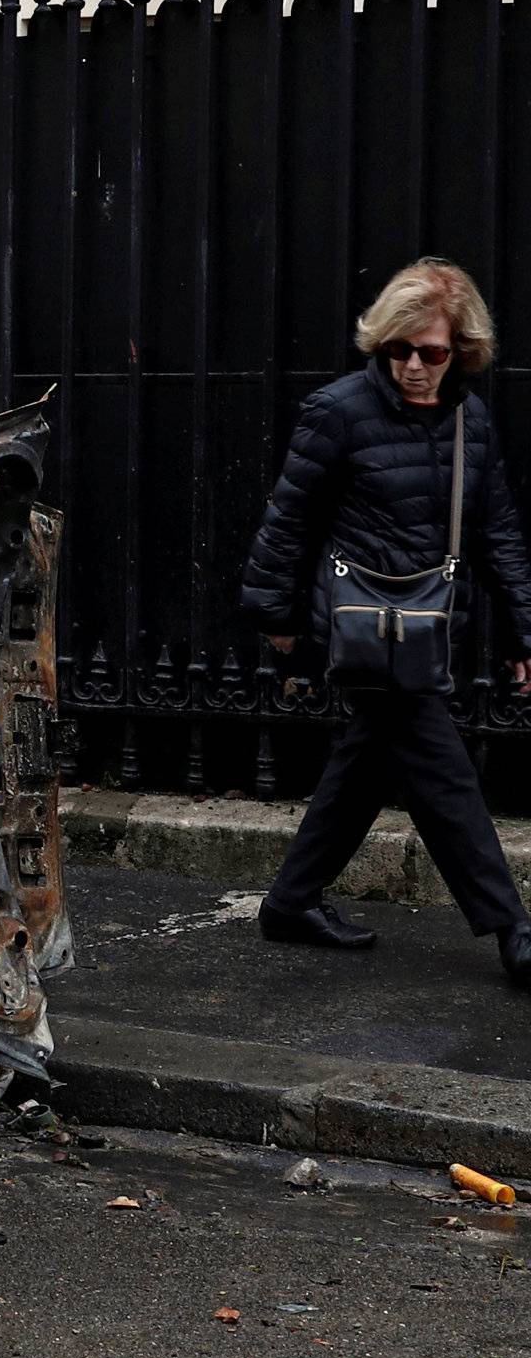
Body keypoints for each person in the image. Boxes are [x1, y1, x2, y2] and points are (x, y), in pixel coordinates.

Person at [240, 258, 531, 985]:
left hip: (427, 628)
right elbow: (288, 521)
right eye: (398, 349)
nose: (412, 366)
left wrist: (526, 631)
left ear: (460, 351)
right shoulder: (339, 412)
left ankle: (290, 902)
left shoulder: (471, 421)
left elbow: (497, 532)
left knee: (366, 764)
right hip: (362, 626)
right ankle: (514, 930)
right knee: (442, 769)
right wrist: (275, 620)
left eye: (431, 352)